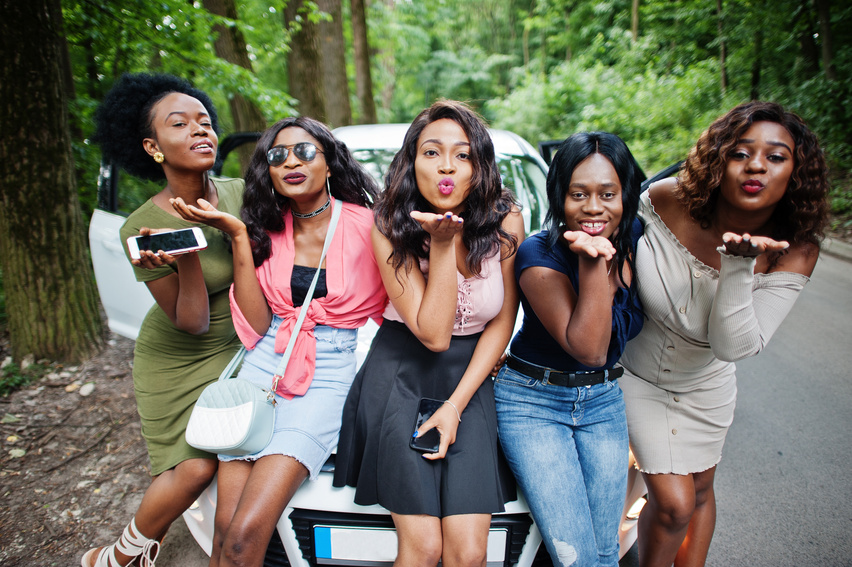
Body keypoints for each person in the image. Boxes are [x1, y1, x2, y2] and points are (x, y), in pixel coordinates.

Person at [618, 101, 829, 567]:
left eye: (776, 157)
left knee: (699, 490)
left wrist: (739, 265)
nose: (756, 165)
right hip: (634, 375)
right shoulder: (664, 199)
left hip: (706, 385)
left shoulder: (797, 249)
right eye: (740, 152)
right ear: (717, 159)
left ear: (795, 173)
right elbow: (602, 230)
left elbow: (734, 346)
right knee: (673, 503)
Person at [171, 116, 387, 567]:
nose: (291, 161)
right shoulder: (266, 226)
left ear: (329, 163)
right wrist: (236, 236)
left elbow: (401, 308)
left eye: (305, 151)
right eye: (277, 155)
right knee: (224, 534)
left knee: (246, 533)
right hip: (261, 369)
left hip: (325, 375)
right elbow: (255, 321)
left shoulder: (369, 225)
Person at [333, 100, 524, 567]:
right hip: (401, 373)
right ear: (411, 161)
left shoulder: (506, 219)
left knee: (468, 553)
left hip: (471, 380)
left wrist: (457, 405)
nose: (447, 166)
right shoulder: (387, 224)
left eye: (463, 155)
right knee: (422, 549)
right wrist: (442, 245)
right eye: (432, 152)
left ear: (479, 167)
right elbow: (433, 335)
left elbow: (502, 322)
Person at [83, 73, 244, 567]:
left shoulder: (242, 193)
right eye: (181, 124)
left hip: (246, 344)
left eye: (205, 122)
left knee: (241, 453)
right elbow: (190, 322)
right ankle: (125, 553)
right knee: (192, 469)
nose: (201, 131)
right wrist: (188, 257)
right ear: (154, 147)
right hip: (178, 354)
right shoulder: (141, 227)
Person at [493, 132, 645, 567]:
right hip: (533, 403)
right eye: (579, 194)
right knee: (576, 557)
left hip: (603, 403)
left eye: (607, 194)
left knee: (604, 552)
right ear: (559, 197)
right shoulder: (537, 255)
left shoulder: (636, 235)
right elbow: (590, 349)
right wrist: (594, 259)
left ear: (625, 196)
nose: (594, 207)